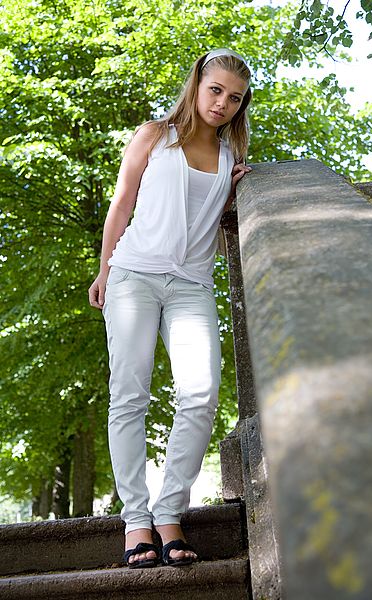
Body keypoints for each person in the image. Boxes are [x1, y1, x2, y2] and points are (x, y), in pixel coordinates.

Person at [88, 48, 252, 569]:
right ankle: (136, 520)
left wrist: (234, 192)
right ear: (197, 84)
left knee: (201, 394)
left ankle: (169, 510)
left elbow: (206, 219)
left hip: (190, 286)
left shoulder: (230, 156)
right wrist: (104, 269)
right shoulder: (154, 135)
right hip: (133, 275)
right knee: (129, 394)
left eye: (234, 97)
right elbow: (122, 201)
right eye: (215, 90)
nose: (222, 103)